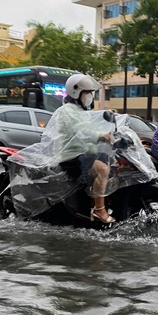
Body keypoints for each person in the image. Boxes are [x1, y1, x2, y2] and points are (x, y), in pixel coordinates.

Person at [51, 73, 114, 223]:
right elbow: (80, 131)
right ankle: (99, 211)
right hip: (71, 157)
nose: (90, 96)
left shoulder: (80, 111)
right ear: (76, 92)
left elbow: (91, 129)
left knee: (113, 163)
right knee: (103, 169)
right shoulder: (68, 110)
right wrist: (100, 135)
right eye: (87, 93)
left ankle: (97, 204)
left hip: (83, 154)